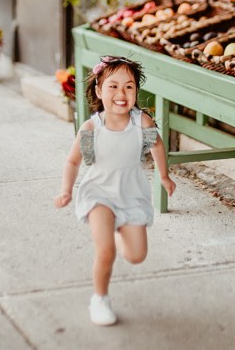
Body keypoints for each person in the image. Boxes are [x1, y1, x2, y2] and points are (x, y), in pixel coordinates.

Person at [54, 55, 176, 326]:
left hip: (131, 194)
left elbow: (156, 146)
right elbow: (75, 161)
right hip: (99, 193)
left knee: (136, 255)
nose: (121, 93)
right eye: (113, 86)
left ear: (136, 92)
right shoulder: (91, 128)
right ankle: (100, 299)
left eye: (129, 87)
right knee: (105, 250)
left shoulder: (141, 122)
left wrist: (164, 176)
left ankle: (118, 231)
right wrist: (66, 190)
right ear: (99, 91)